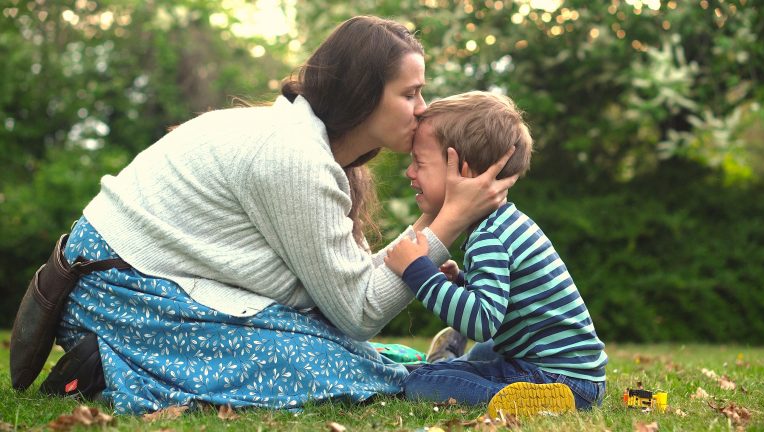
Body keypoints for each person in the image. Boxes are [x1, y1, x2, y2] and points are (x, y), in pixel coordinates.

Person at [10, 17, 518, 414]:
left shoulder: (310, 150)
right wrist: (450, 219)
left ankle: (440, 372)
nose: (422, 109)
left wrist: (433, 228)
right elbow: (357, 311)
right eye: (410, 94)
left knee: (332, 349)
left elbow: (348, 287)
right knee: (317, 366)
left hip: (149, 285)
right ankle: (115, 359)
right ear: (364, 95)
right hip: (121, 293)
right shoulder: (293, 157)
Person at [384, 91, 608, 416]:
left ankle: (466, 374)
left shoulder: (490, 237)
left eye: (419, 163)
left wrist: (419, 272)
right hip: (575, 374)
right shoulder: (501, 225)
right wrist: (461, 282)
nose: (409, 173)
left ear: (464, 171)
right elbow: (506, 307)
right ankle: (453, 363)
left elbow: (482, 321)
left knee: (420, 383)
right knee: (485, 354)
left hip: (559, 380)